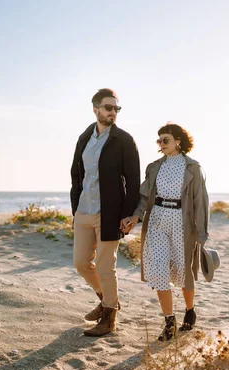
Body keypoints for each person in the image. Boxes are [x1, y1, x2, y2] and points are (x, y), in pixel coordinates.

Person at [122, 123, 209, 341]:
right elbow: (144, 196)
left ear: (178, 141)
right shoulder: (154, 167)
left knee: (183, 272)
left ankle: (190, 309)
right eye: (159, 140)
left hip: (182, 222)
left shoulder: (193, 168)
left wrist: (201, 233)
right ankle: (169, 321)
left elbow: (201, 202)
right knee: (160, 271)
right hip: (157, 220)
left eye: (166, 140)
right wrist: (136, 216)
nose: (161, 144)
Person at [70, 88, 140, 337]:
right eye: (108, 108)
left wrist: (129, 215)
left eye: (116, 109)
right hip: (83, 211)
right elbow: (77, 176)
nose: (113, 112)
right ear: (95, 109)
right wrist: (74, 209)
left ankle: (109, 317)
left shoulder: (124, 140)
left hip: (109, 212)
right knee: (81, 263)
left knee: (104, 265)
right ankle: (107, 300)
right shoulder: (84, 138)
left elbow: (133, 181)